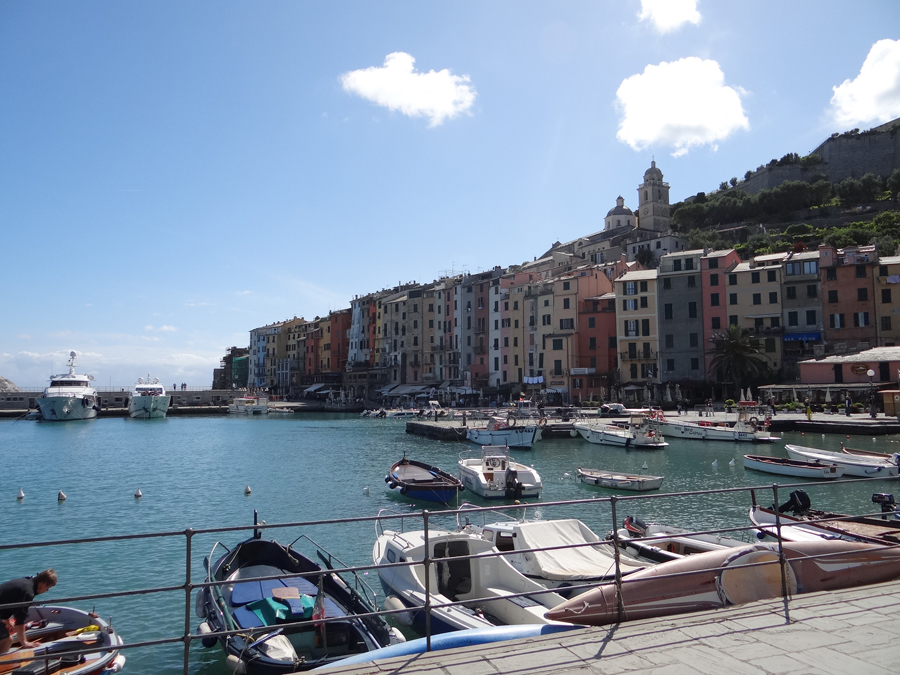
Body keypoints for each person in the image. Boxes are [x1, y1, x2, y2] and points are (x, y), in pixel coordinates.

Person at [0, 570, 57, 653]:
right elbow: (20, 620)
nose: (47, 590)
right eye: (48, 587)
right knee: (6, 640)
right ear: (43, 584)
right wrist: (24, 643)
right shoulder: (28, 592)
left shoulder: (25, 582)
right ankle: (2, 664)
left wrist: (7, 621)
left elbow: (7, 600)